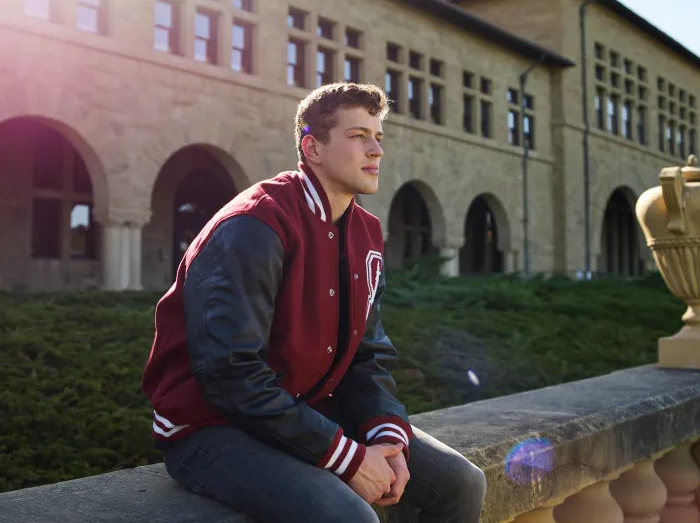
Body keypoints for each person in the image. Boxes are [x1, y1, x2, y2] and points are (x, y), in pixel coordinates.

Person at [141, 82, 487, 522]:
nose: (376, 150)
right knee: (350, 517)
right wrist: (345, 458)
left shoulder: (366, 233)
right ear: (313, 148)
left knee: (461, 483)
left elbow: (366, 354)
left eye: (378, 137)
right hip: (210, 427)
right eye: (358, 136)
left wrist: (386, 439)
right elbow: (231, 375)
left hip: (307, 407)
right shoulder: (253, 226)